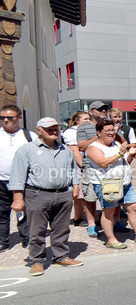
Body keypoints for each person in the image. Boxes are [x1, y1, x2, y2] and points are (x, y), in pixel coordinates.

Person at [10, 117, 79, 275]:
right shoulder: (26, 150)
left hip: (62, 194)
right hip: (37, 194)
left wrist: (75, 186)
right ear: (39, 131)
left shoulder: (65, 149)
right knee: (37, 230)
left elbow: (73, 169)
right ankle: (36, 261)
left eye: (55, 128)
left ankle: (61, 256)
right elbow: (17, 175)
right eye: (49, 129)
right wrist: (18, 198)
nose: (53, 131)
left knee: (61, 228)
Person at [86, 119, 136, 249]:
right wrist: (120, 154)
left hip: (125, 182)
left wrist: (130, 155)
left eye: (113, 129)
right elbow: (103, 163)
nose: (111, 133)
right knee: (109, 211)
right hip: (108, 184)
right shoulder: (93, 147)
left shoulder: (116, 144)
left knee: (133, 207)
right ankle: (111, 239)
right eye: (108, 130)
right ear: (99, 133)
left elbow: (124, 160)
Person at [0, 104, 35, 250]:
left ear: (19, 118)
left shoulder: (29, 136)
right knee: (2, 213)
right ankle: (3, 241)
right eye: (2, 117)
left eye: (10, 117)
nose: (6, 120)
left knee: (24, 212)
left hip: (23, 181)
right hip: (1, 180)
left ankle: (27, 239)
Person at [76, 101, 109, 238]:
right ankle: (92, 224)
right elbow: (82, 147)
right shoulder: (83, 128)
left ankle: (113, 222)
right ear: (91, 112)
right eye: (100, 109)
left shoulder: (109, 125)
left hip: (108, 166)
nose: (103, 111)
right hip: (90, 167)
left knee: (111, 195)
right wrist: (98, 135)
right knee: (90, 198)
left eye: (104, 109)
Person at [64, 111, 89, 226]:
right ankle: (92, 217)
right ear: (77, 121)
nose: (88, 121)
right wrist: (84, 167)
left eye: (89, 119)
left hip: (84, 162)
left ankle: (78, 218)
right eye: (85, 119)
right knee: (84, 192)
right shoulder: (70, 133)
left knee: (80, 194)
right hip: (78, 165)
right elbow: (75, 151)